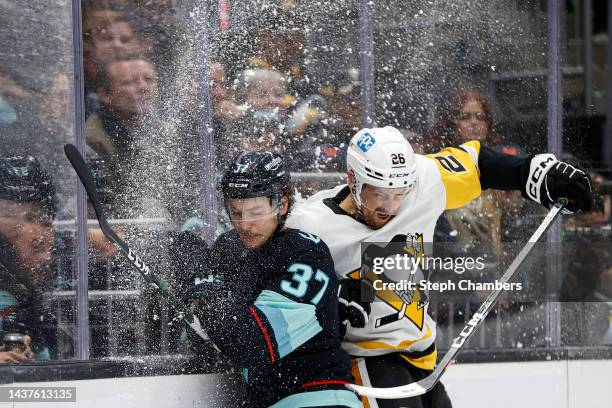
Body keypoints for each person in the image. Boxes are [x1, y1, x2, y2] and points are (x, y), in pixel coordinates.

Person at [286, 126, 593, 408]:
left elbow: (476, 162)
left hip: (422, 358)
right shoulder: (310, 226)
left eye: (398, 194)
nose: (389, 207)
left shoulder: (423, 182)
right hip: (367, 361)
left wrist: (534, 174)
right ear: (353, 180)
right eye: (378, 194)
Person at [182, 151, 362, 407]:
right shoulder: (229, 248)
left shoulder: (306, 254)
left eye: (255, 212)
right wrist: (189, 283)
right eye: (236, 212)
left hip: (318, 397)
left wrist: (206, 296)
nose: (244, 225)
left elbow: (251, 344)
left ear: (282, 205)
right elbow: (211, 344)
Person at [0, 156, 58, 364]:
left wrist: (26, 357)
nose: (24, 228)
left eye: (34, 218)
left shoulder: (24, 294)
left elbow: (43, 363)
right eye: (9, 214)